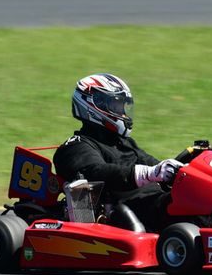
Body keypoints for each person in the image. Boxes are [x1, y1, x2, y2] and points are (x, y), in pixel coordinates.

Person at [53, 73, 184, 233]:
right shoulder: (76, 146)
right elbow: (96, 172)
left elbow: (155, 166)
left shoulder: (122, 142)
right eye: (116, 107)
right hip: (134, 209)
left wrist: (180, 169)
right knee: (190, 209)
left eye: (123, 107)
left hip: (156, 199)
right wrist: (147, 174)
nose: (122, 114)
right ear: (94, 106)